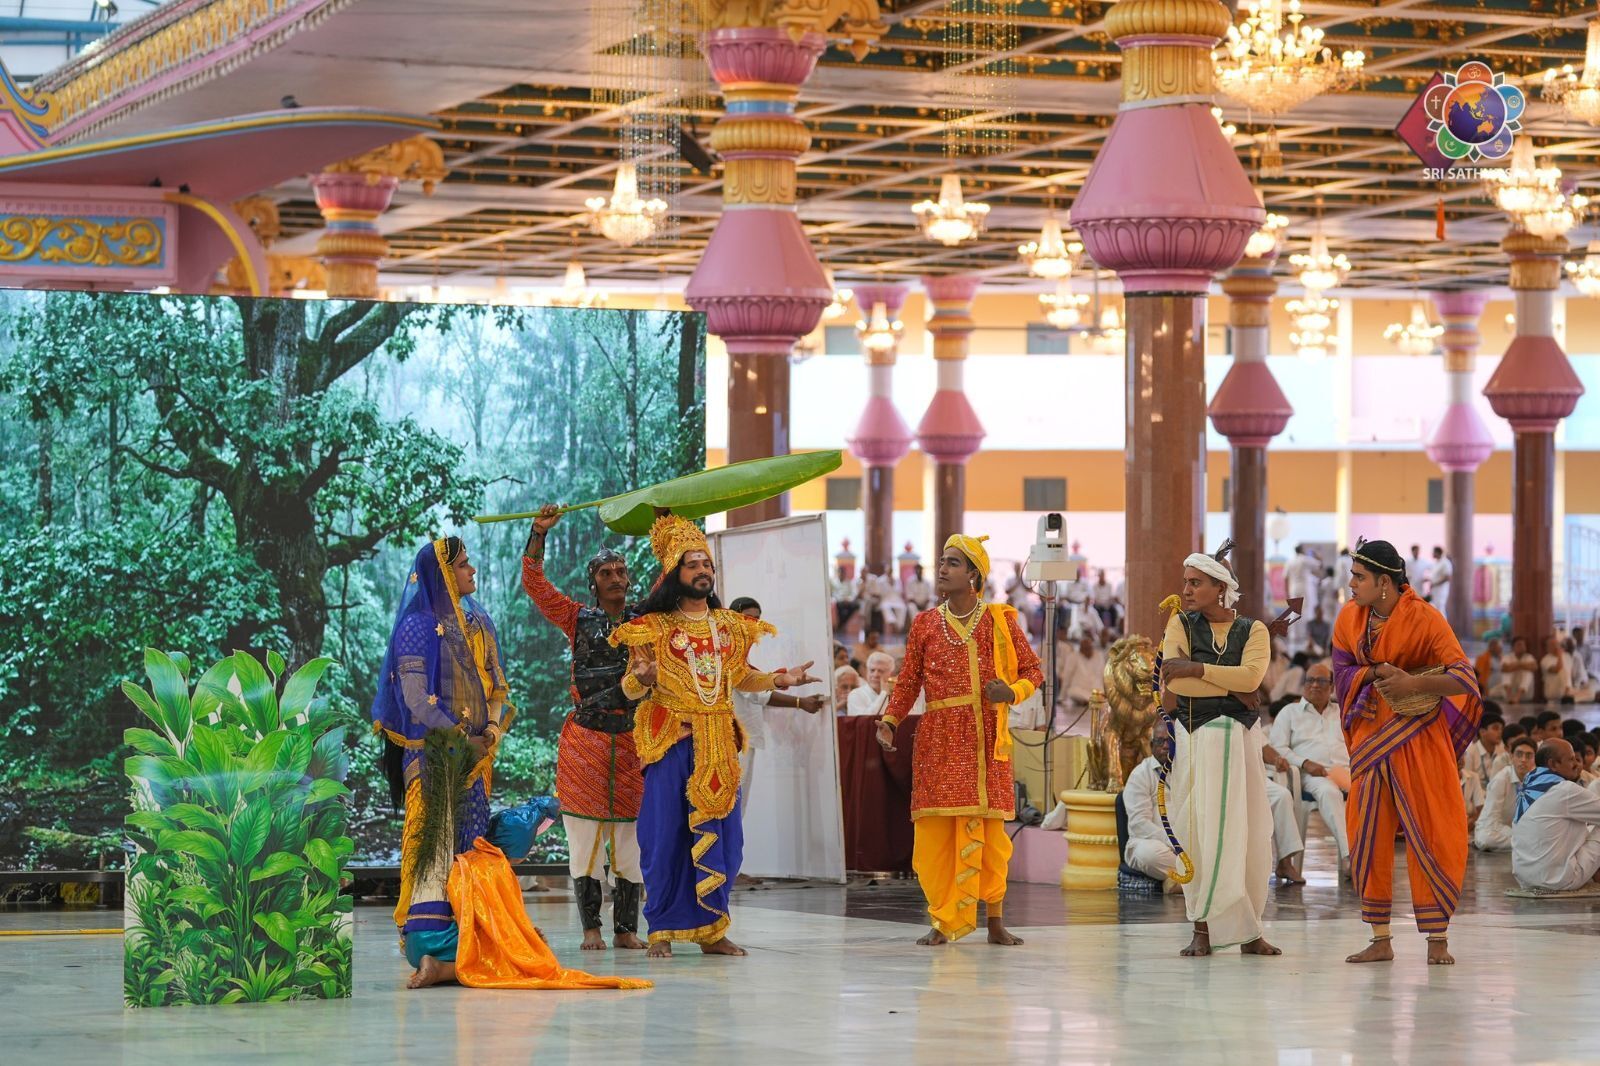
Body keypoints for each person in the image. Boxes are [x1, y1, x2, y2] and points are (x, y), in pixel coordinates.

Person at [372, 538, 647, 993]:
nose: (472, 571)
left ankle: (470, 946)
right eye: (463, 565)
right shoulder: (416, 626)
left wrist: (491, 733)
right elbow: (415, 698)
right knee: (433, 853)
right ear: (443, 574)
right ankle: (429, 946)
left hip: (477, 762)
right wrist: (459, 736)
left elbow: (497, 689)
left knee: (474, 849)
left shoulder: (479, 621)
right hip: (432, 760)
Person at [609, 514, 820, 958]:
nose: (703, 570)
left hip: (718, 743)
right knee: (665, 836)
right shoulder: (652, 627)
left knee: (726, 837)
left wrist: (780, 679)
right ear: (675, 573)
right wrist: (642, 679)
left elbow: (742, 675)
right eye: (693, 564)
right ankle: (662, 929)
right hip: (672, 743)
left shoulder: (730, 625)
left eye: (707, 564)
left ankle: (712, 930)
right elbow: (628, 688)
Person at [874, 533, 1042, 946]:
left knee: (991, 837)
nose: (942, 569)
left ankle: (995, 921)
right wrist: (891, 720)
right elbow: (908, 681)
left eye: (952, 563)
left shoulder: (1000, 620)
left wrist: (1011, 692)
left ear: (973, 575)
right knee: (935, 833)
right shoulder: (925, 623)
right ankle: (942, 920)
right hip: (938, 738)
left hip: (986, 738)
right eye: (942, 562)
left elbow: (1033, 671)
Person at [1335, 539, 1481, 966]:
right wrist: (1375, 673)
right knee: (1366, 833)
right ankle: (1380, 938)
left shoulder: (1426, 618)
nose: (1351, 584)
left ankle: (1438, 939)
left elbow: (1464, 679)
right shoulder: (1349, 618)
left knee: (1432, 830)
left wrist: (1412, 684)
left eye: (1359, 577)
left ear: (1385, 582)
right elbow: (1341, 672)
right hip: (1370, 739)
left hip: (1418, 736)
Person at [522, 507, 646, 951]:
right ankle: (591, 928)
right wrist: (539, 533)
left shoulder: (644, 623)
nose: (615, 578)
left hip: (632, 743)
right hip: (585, 743)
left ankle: (626, 930)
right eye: (605, 573)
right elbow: (535, 584)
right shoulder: (577, 618)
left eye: (621, 571)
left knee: (630, 842)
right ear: (593, 583)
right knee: (585, 840)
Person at [1159, 541, 1280, 958]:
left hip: (1241, 742)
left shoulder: (1254, 630)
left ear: (1220, 588)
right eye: (1186, 582)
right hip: (1197, 739)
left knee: (1250, 833)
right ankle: (1202, 927)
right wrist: (1232, 686)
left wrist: (1197, 668)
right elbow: (1177, 684)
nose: (1186, 590)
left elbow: (1252, 680)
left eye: (1196, 583)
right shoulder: (1180, 624)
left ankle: (1250, 930)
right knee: (1199, 832)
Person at [727, 596, 826, 824]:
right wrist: (800, 702)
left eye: (758, 619)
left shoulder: (742, 653)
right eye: (748, 618)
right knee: (733, 807)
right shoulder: (729, 654)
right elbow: (759, 692)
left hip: (742, 739)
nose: (754, 624)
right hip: (734, 741)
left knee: (737, 808)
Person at [1268, 662, 1351, 867]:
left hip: (1346, 772)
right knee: (1329, 792)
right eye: (1310, 680)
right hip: (1313, 776)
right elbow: (1278, 748)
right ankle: (1350, 857)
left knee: (1374, 791)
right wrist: (1305, 763)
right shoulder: (1290, 712)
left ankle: (1374, 859)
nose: (1314, 685)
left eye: (1321, 681)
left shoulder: (1342, 712)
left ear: (1332, 686)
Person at [1511, 739, 1600, 892]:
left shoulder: (1528, 784)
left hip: (1525, 879)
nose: (1577, 764)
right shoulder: (1564, 789)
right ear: (1553, 764)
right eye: (1571, 759)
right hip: (1558, 880)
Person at [1476, 735, 1537, 851]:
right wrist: (1518, 834)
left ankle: (1524, 843)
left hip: (1520, 831)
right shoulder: (1501, 779)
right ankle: (1525, 844)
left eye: (1529, 756)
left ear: (1535, 759)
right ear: (1511, 756)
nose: (1523, 760)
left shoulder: (1536, 781)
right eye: (1519, 754)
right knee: (1485, 840)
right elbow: (1492, 821)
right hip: (1495, 829)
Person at [1460, 710, 1508, 822]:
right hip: (1475, 800)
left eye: (1501, 729)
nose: (1500, 732)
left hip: (1497, 796)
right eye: (1495, 728)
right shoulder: (1470, 753)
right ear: (1482, 732)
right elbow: (1467, 783)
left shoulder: (1502, 751)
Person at [1504, 637, 1538, 703]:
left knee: (1528, 673)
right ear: (1513, 647)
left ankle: (1517, 697)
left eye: (1523, 645)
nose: (1522, 647)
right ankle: (1509, 696)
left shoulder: (1529, 657)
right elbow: (1505, 668)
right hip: (1511, 689)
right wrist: (1524, 665)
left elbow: (1535, 667)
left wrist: (1517, 664)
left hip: (1525, 693)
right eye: (1519, 645)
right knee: (1506, 673)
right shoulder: (1507, 657)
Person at [1542, 635, 1572, 703]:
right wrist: (1559, 655)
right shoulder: (1545, 660)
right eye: (1552, 645)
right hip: (1553, 692)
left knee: (1590, 693)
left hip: (1567, 690)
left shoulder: (1567, 656)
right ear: (1547, 648)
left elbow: (1570, 674)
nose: (1556, 646)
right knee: (1562, 671)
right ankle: (1568, 697)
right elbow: (1557, 669)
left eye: (1557, 644)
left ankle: (1569, 696)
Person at [1427, 546, 1452, 614]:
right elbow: (1435, 576)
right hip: (1435, 591)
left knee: (1440, 609)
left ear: (1438, 552)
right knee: (1435, 609)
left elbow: (1448, 577)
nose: (1432, 554)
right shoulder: (1435, 563)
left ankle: (1443, 621)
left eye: (1433, 552)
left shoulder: (1445, 562)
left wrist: (1435, 583)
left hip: (1441, 591)